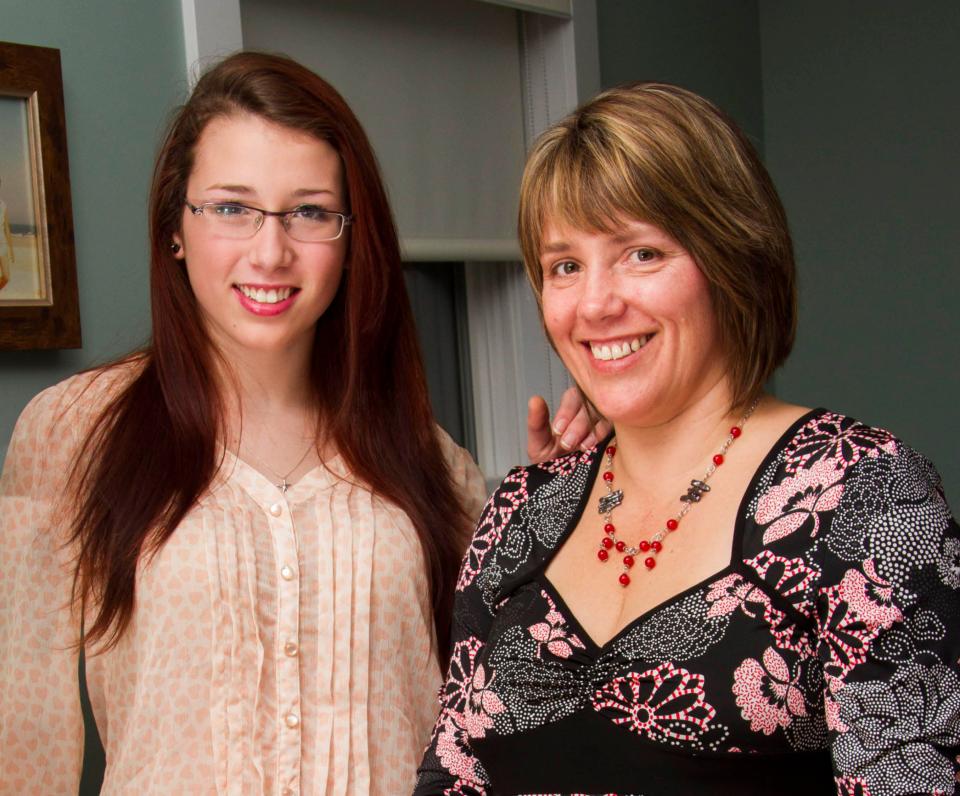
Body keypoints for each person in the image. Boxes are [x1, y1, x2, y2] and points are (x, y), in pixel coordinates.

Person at [0, 52, 598, 794]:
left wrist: (556, 529)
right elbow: (21, 745)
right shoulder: (70, 434)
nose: (271, 251)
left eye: (310, 212)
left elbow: (505, 723)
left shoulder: (435, 468)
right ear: (174, 228)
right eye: (231, 207)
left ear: (350, 241)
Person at [416, 82, 960, 795]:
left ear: (732, 258)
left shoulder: (863, 493)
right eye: (565, 266)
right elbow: (454, 772)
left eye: (640, 253)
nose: (596, 304)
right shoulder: (521, 512)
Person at [0, 176, 13, 291]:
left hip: (2, 244)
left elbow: (7, 228)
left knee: (6, 277)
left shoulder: (3, 205)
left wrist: (11, 249)